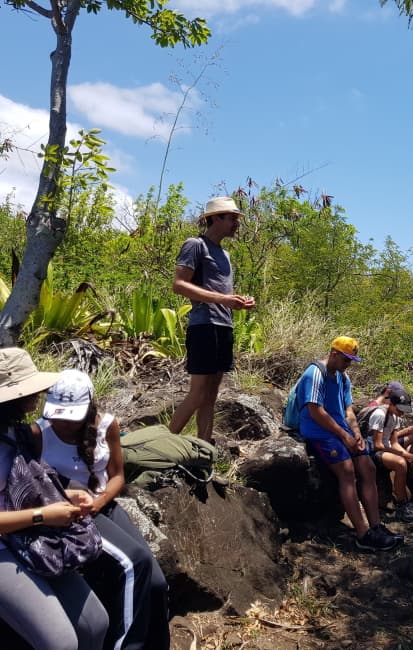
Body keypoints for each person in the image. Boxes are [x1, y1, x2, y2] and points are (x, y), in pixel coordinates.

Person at [33, 369, 169, 650]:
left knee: (155, 583)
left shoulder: (108, 425)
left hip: (101, 506)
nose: (62, 422)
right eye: (57, 414)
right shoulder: (39, 433)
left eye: (70, 416)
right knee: (135, 564)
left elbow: (117, 475)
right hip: (68, 514)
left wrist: (100, 501)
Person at [0, 347, 109, 650]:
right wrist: (43, 516)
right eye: (31, 389)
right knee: (60, 643)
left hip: (29, 537)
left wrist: (66, 494)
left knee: (95, 623)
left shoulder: (16, 432)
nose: (39, 395)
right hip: (5, 548)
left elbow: (29, 481)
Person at [297, 336, 402, 552]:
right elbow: (315, 410)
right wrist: (343, 436)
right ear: (334, 354)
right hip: (319, 431)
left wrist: (356, 434)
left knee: (368, 467)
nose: (348, 365)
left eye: (351, 361)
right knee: (346, 470)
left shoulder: (343, 379)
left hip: (340, 431)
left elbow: (348, 411)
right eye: (346, 360)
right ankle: (363, 534)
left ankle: (376, 526)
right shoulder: (315, 373)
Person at [169, 196, 256, 442]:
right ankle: (162, 444)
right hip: (203, 325)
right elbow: (179, 285)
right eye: (232, 218)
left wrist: (239, 302)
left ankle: (203, 447)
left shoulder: (225, 254)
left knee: (212, 394)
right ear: (215, 218)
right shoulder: (195, 245)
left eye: (236, 219)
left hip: (223, 325)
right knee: (198, 394)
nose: (236, 224)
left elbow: (222, 292)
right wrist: (223, 299)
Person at [364, 387, 413, 523]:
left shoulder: (394, 417)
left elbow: (394, 442)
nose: (402, 413)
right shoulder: (379, 414)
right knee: (401, 463)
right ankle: (402, 507)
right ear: (391, 404)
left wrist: (409, 455)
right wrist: (404, 456)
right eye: (400, 410)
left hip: (387, 448)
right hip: (374, 451)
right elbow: (378, 445)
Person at [369, 381, 413, 460]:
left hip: (389, 441)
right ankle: (410, 464)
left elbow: (392, 437)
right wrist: (406, 431)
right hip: (383, 444)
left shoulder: (394, 413)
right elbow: (381, 439)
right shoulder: (377, 409)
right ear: (389, 393)